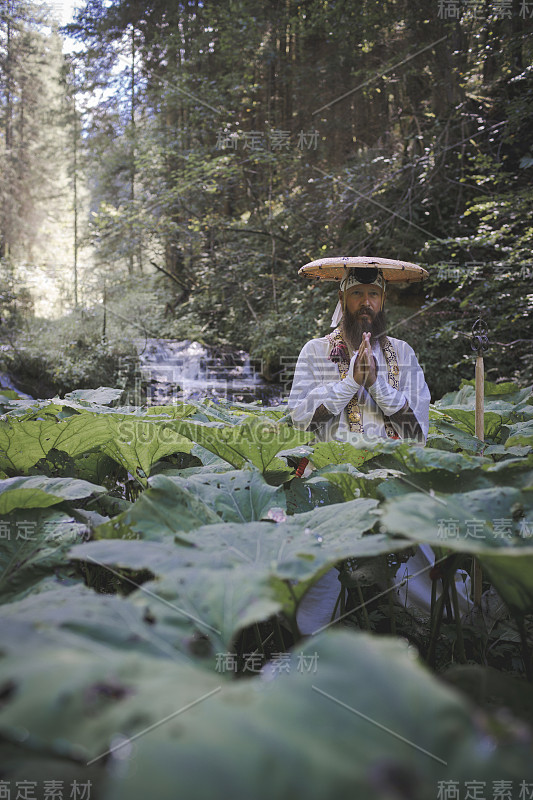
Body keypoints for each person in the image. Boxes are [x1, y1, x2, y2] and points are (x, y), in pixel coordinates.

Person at [287, 256, 470, 634]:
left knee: (418, 560)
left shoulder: (402, 353)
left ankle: (428, 628)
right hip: (329, 479)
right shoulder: (314, 351)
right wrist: (349, 383)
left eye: (373, 294)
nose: (365, 302)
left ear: (383, 301)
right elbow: (301, 419)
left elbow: (417, 430)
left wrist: (377, 386)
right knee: (311, 567)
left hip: (392, 478)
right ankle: (317, 638)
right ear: (343, 297)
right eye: (357, 293)